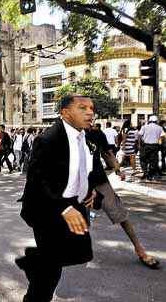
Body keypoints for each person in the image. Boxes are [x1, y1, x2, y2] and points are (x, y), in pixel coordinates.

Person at [16, 95, 108, 302]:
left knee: (77, 253)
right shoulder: (49, 139)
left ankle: (33, 260)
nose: (90, 112)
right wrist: (64, 208)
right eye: (82, 108)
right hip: (49, 208)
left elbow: (88, 172)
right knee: (50, 271)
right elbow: (38, 180)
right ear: (65, 113)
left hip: (75, 205)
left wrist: (92, 192)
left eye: (91, 108)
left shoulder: (88, 137)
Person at [86, 124, 160, 269]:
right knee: (82, 221)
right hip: (79, 185)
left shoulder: (96, 134)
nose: (89, 115)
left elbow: (107, 154)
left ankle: (140, 249)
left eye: (91, 111)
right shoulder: (68, 135)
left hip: (100, 181)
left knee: (121, 215)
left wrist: (118, 169)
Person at [138, 115, 163, 180]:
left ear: (149, 120)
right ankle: (150, 174)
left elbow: (139, 135)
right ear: (156, 121)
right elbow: (162, 137)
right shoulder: (160, 128)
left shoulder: (144, 127)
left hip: (145, 145)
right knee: (153, 161)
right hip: (155, 146)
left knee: (143, 159)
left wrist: (140, 143)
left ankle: (145, 173)